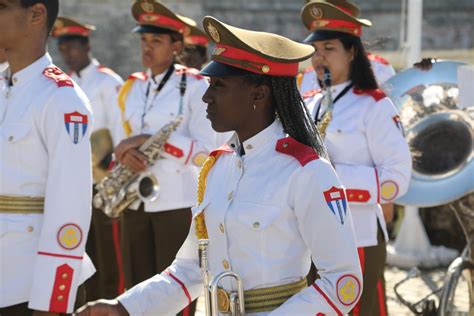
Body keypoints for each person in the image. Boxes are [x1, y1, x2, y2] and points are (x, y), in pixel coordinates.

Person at [77, 15, 363, 316]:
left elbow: (342, 283)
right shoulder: (216, 168)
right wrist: (123, 308)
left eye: (219, 85)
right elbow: (189, 270)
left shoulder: (307, 171)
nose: (206, 95)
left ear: (258, 93)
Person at [300, 1, 412, 315]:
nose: (319, 58)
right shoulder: (309, 103)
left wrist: (332, 177)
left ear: (351, 52)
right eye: (316, 49)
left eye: (329, 48)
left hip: (357, 233)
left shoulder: (374, 105)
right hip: (311, 235)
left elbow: (397, 179)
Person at [110, 1, 216, 315]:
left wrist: (154, 142)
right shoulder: (132, 86)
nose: (147, 48)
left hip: (177, 201)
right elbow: (121, 140)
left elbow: (207, 151)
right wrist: (125, 153)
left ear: (177, 45)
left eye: (156, 41)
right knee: (135, 286)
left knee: (174, 291)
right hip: (135, 198)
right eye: (144, 41)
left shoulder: (197, 86)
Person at [0, 0, 95, 314]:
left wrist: (52, 301)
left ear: (36, 15)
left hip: (29, 287)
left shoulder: (61, 98)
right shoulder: (5, 88)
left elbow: (70, 208)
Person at [52, 17, 125, 301]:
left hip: (105, 177)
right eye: (63, 47)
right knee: (82, 248)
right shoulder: (63, 83)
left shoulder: (108, 81)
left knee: (109, 251)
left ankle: (112, 302)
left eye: (72, 46)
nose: (68, 53)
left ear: (87, 46)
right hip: (75, 179)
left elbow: (119, 131)